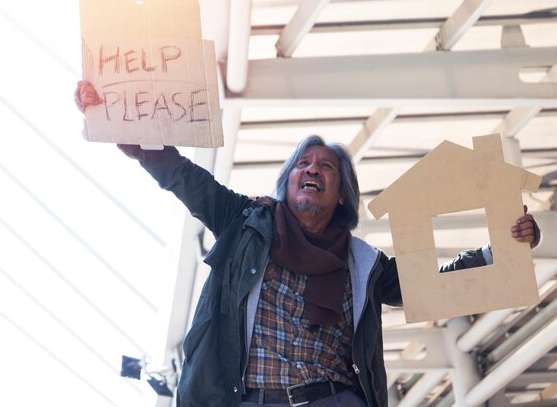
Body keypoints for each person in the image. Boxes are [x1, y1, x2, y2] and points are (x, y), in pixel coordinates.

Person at [75, 81, 541, 407]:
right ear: (287, 183)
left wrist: (504, 246)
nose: (313, 169)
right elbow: (179, 174)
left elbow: (426, 286)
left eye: (326, 167)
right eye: (303, 164)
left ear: (341, 197)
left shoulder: (363, 263)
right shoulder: (242, 224)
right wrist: (115, 119)